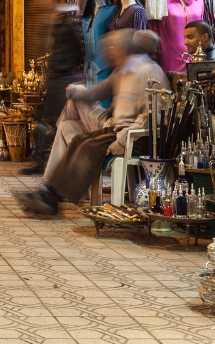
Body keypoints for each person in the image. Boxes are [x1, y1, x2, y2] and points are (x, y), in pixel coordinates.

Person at [14, 30, 168, 216]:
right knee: (79, 141)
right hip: (114, 129)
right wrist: (75, 91)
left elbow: (152, 116)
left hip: (132, 137)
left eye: (111, 49)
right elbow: (96, 93)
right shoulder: (123, 70)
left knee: (87, 147)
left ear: (123, 49)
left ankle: (51, 197)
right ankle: (50, 193)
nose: (107, 54)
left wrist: (122, 139)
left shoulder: (149, 71)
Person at [21, 8, 85, 175]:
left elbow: (79, 52)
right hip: (57, 78)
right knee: (43, 120)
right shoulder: (58, 26)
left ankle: (50, 162)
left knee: (52, 122)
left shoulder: (68, 27)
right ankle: (42, 161)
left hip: (63, 79)